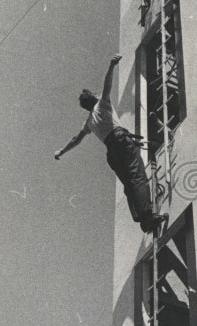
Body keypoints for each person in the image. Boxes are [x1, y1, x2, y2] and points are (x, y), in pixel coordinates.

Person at [54, 53, 167, 236]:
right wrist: (112, 65)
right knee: (137, 176)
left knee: (129, 185)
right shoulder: (102, 105)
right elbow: (107, 85)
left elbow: (76, 139)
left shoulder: (89, 121)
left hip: (112, 152)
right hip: (121, 141)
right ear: (94, 98)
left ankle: (143, 220)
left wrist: (61, 151)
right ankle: (148, 216)